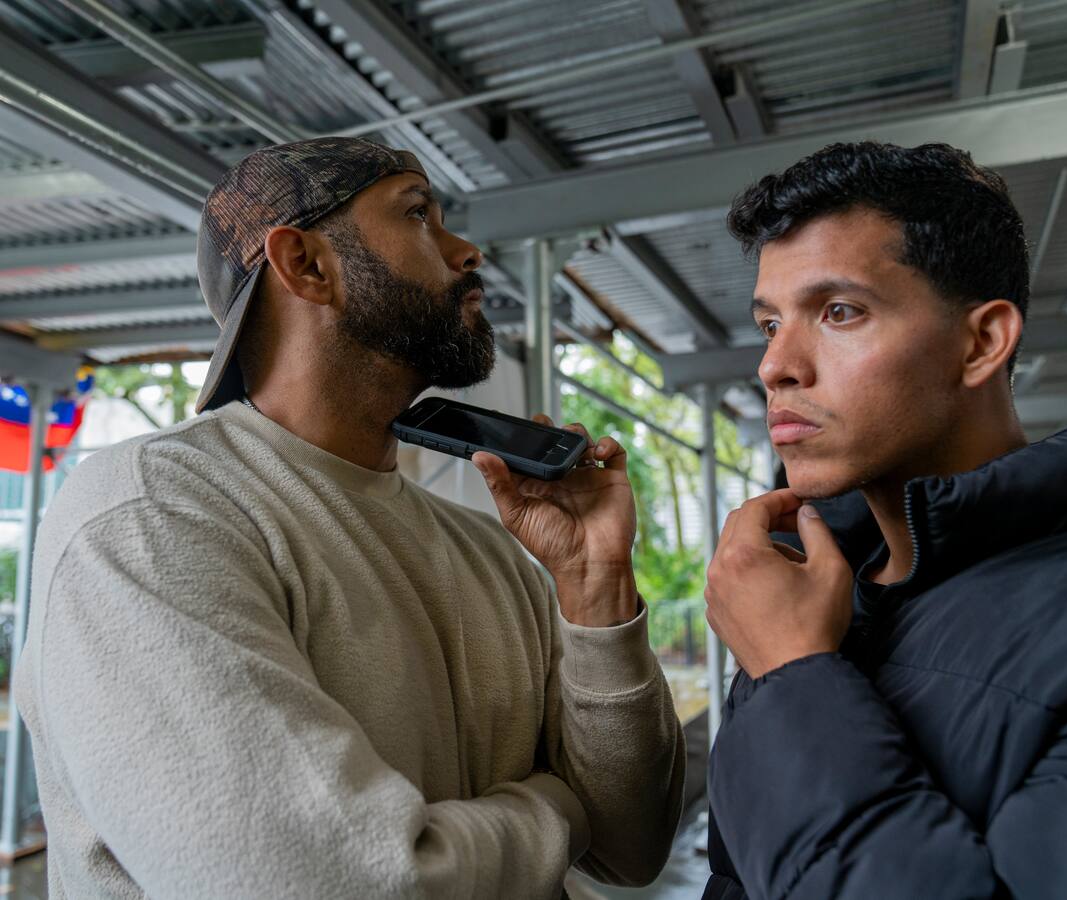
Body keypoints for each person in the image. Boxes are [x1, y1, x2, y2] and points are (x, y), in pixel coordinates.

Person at [15, 137, 685, 899]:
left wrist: (596, 590)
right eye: (420, 216)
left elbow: (633, 847)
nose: (466, 252)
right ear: (305, 265)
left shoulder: (490, 554)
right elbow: (320, 884)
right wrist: (562, 808)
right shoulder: (152, 515)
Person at [701, 142, 1067, 899]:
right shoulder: (814, 594)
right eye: (771, 324)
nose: (775, 366)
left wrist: (796, 681)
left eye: (838, 311)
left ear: (982, 342)